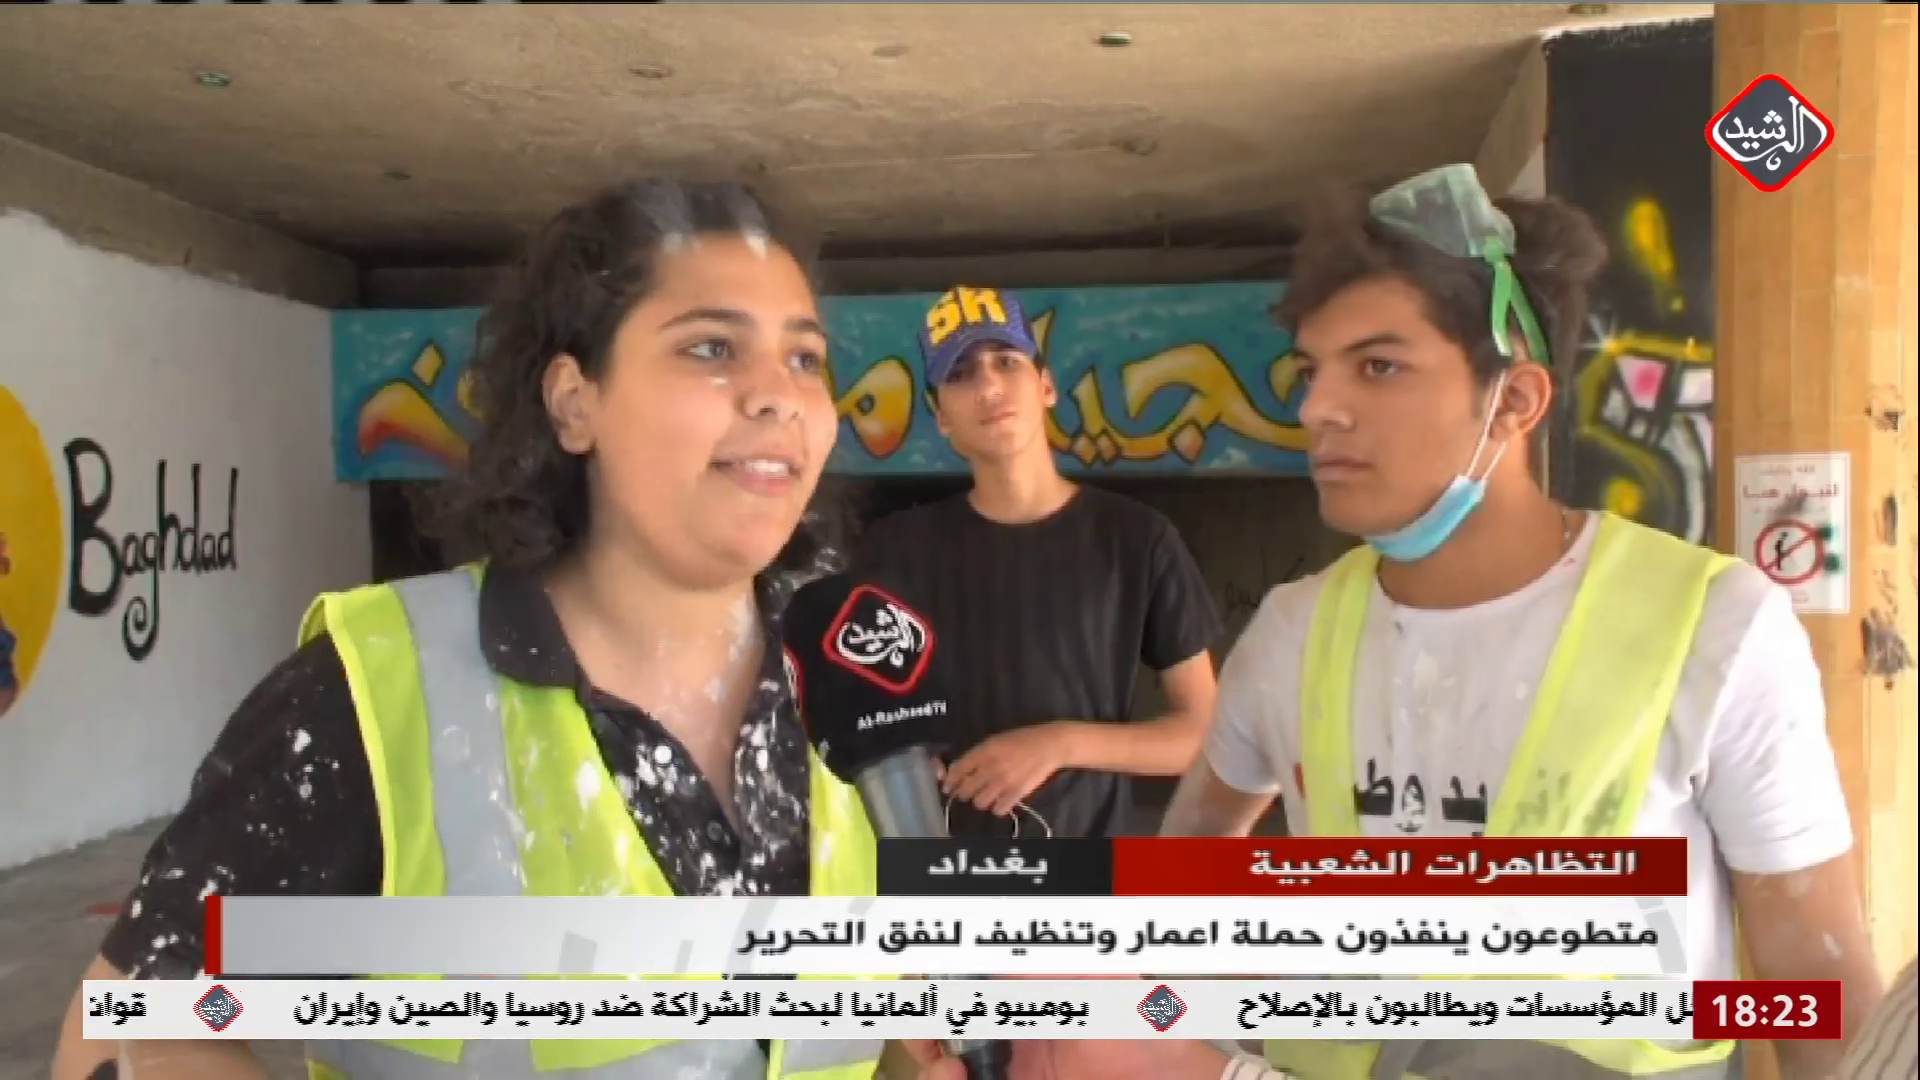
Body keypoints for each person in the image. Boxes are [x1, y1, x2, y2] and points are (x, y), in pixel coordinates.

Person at [53, 180, 892, 1080]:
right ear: (574, 403)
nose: (778, 396)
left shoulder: (857, 680)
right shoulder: (377, 692)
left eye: (805, 359)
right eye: (711, 347)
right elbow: (135, 1024)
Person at [1160, 164, 1884, 1079]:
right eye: (1313, 371)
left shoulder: (1715, 627)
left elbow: (1816, 977)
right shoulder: (1292, 633)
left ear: (1514, 400)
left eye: (1378, 366)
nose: (1318, 408)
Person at [851, 285, 1222, 840]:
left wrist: (1059, 743)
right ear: (941, 415)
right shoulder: (895, 549)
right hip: (936, 871)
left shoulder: (1136, 539)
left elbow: (1203, 733)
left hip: (1088, 875)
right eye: (960, 375)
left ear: (1045, 385)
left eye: (1006, 362)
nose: (989, 387)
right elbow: (852, 716)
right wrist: (893, 756)